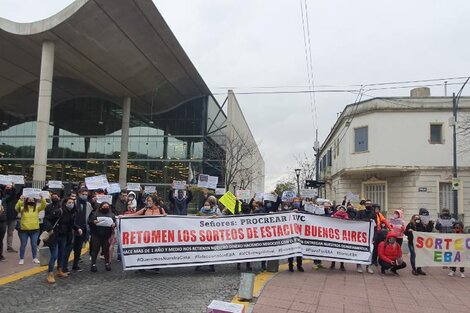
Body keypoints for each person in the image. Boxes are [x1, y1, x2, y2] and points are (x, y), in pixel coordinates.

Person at [15, 195, 47, 264]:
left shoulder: (37, 208)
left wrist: (42, 198)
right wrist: (20, 200)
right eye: (29, 200)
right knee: (23, 244)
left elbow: (44, 205)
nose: (31, 201)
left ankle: (34, 258)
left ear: (34, 201)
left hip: (35, 230)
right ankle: (21, 258)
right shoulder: (23, 208)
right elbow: (17, 208)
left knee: (34, 244)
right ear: (26, 201)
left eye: (32, 200)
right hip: (24, 230)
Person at [69, 188, 93, 272]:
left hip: (83, 229)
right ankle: (63, 266)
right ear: (79, 194)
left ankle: (75, 265)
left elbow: (90, 216)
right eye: (83, 194)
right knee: (69, 248)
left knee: (78, 248)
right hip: (73, 229)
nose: (85, 196)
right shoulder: (74, 202)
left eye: (86, 195)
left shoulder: (88, 205)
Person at [88, 202, 116, 272]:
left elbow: (115, 222)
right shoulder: (95, 213)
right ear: (100, 207)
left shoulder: (111, 214)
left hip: (107, 235)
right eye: (104, 206)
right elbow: (89, 221)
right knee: (95, 249)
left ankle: (107, 263)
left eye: (107, 207)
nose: (106, 208)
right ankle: (93, 264)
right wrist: (93, 222)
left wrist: (114, 224)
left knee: (106, 250)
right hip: (96, 234)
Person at [370, 203, 391, 267]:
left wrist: (390, 228)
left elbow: (385, 221)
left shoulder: (379, 215)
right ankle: (372, 260)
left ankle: (376, 260)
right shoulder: (371, 214)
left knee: (378, 247)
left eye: (378, 209)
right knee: (373, 247)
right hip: (372, 232)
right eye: (376, 208)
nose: (377, 210)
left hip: (378, 233)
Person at [1, 183, 19, 253]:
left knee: (10, 233)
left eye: (10, 188)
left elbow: (14, 193)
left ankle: (9, 247)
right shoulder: (3, 197)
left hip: (13, 217)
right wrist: (6, 186)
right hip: (3, 218)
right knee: (2, 233)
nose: (9, 188)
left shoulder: (14, 197)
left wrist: (13, 186)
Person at [330, 205, 348, 271]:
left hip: (342, 236)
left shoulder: (346, 216)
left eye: (343, 209)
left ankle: (342, 265)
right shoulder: (334, 215)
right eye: (340, 209)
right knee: (334, 249)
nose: (341, 210)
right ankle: (333, 264)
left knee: (341, 250)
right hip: (335, 235)